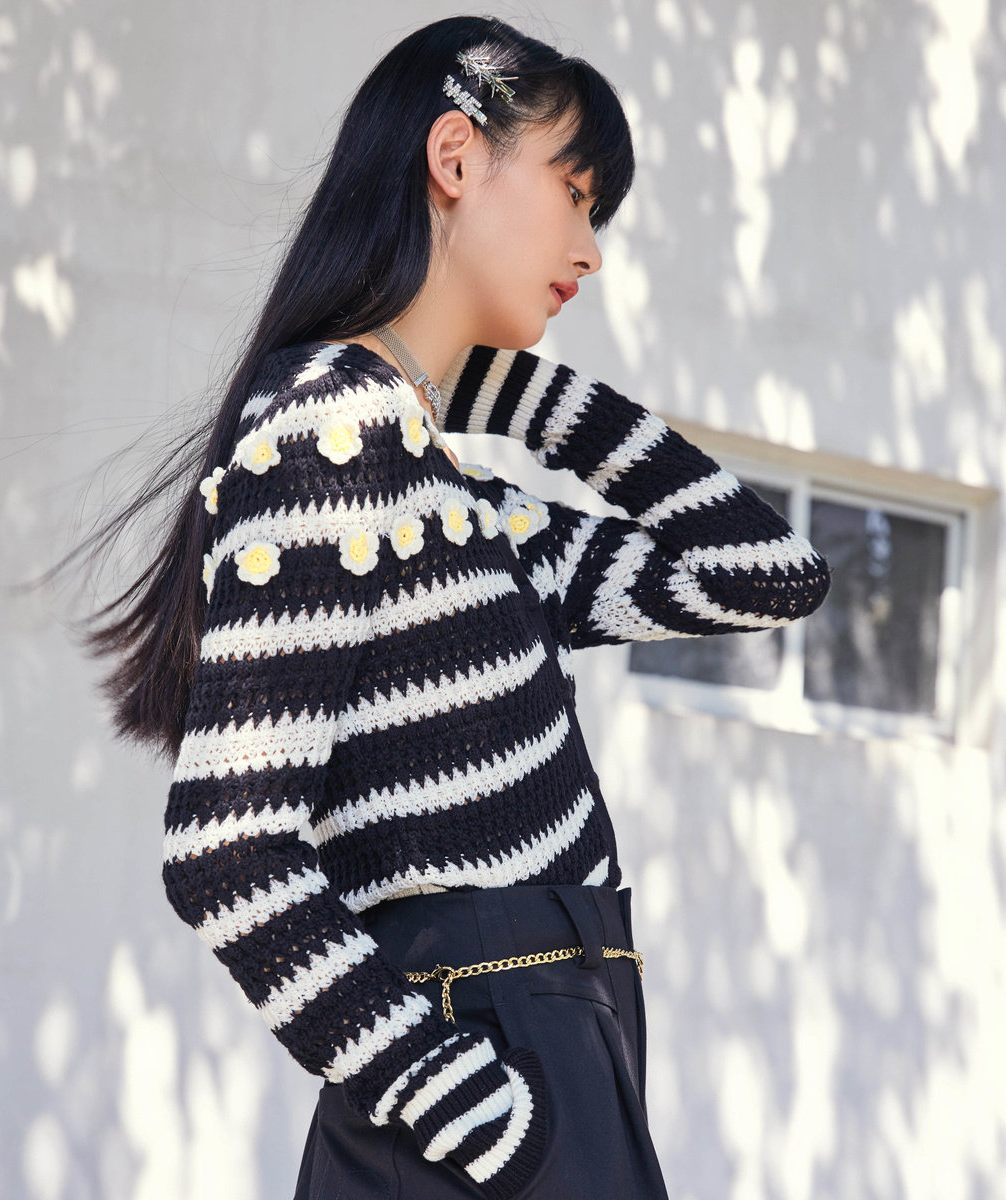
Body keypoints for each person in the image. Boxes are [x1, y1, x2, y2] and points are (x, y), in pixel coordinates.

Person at [62, 15, 831, 1199]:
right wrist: (484, 1116)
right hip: (485, 1072)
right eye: (575, 192)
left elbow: (765, 574)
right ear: (456, 156)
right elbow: (225, 849)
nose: (590, 249)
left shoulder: (459, 505)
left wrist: (505, 390)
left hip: (562, 1042)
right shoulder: (330, 432)